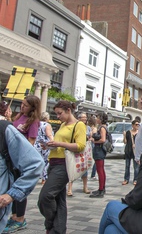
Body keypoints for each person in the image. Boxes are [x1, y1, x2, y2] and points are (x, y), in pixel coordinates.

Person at [37, 100, 87, 234]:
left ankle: (51, 224)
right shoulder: (64, 124)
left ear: (68, 111)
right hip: (54, 162)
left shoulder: (79, 124)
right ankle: (58, 230)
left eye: (60, 113)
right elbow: (61, 143)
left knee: (45, 197)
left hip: (63, 164)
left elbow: (80, 146)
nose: (58, 117)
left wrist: (59, 143)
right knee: (59, 200)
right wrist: (49, 145)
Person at [0, 118, 44, 233]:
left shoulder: (5, 129)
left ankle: (19, 218)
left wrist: (12, 194)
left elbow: (34, 163)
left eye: (25, 105)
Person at [5, 95, 41, 233]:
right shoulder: (19, 116)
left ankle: (19, 218)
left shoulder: (33, 121)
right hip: (12, 158)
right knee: (11, 187)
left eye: (26, 105)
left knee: (20, 190)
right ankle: (14, 216)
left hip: (21, 159)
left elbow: (31, 142)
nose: (22, 106)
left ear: (32, 107)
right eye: (22, 104)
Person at [67, 112, 91, 195]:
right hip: (75, 148)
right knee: (72, 168)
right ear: (79, 118)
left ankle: (85, 187)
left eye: (85, 117)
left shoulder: (88, 127)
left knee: (84, 169)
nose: (84, 119)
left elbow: (90, 137)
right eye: (83, 117)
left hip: (84, 150)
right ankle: (69, 189)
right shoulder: (75, 125)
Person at [89, 112, 109, 198]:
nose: (96, 119)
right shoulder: (103, 127)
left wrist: (94, 141)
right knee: (101, 169)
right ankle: (101, 188)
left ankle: (101, 189)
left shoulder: (102, 128)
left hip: (99, 149)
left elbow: (103, 139)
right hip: (100, 150)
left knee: (100, 170)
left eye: (97, 117)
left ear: (100, 119)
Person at [34, 112, 54, 185]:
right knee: (45, 162)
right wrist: (53, 141)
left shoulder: (36, 123)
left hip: (36, 144)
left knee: (36, 162)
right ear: (46, 118)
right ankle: (44, 178)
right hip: (44, 145)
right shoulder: (46, 125)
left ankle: (34, 176)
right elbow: (49, 134)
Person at [122, 120, 139, 185]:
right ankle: (126, 179)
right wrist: (124, 136)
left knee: (136, 167)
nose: (137, 126)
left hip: (136, 152)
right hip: (128, 151)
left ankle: (136, 179)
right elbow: (125, 142)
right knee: (127, 166)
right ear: (132, 125)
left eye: (138, 124)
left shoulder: (139, 133)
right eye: (136, 124)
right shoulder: (128, 132)